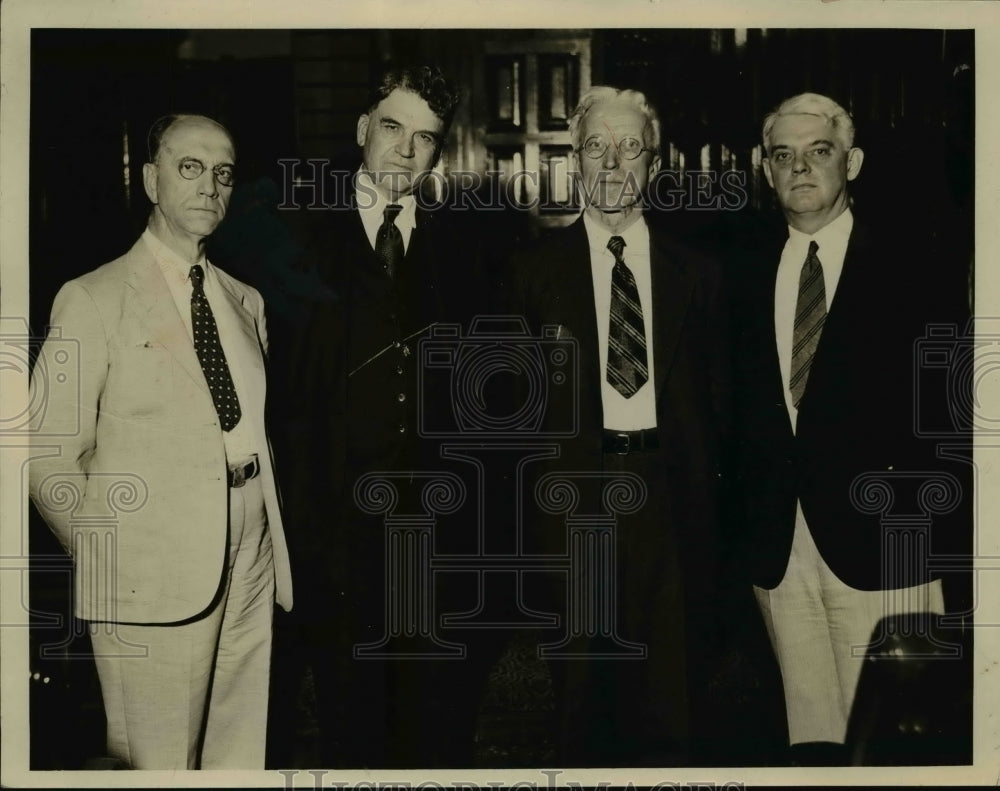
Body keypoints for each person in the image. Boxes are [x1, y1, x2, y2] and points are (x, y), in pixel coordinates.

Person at [28, 114, 293, 770]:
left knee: (238, 755)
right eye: (190, 167)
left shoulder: (245, 300)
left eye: (223, 173)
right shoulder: (91, 298)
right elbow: (43, 458)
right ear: (150, 180)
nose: (210, 185)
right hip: (150, 577)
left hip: (251, 556)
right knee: (158, 766)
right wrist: (117, 557)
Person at [733, 92, 971, 762]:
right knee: (809, 736)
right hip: (780, 547)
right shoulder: (742, 272)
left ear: (853, 161)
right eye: (783, 155)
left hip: (884, 542)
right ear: (765, 168)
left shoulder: (915, 265)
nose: (800, 167)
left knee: (891, 743)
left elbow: (950, 423)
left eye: (820, 151)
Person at [276, 64, 499, 768]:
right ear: (362, 129)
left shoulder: (471, 247)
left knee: (441, 728)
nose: (406, 150)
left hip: (442, 541)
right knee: (352, 728)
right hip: (338, 540)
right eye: (394, 128)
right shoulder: (296, 238)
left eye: (426, 138)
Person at [512, 85, 731, 766]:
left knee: (676, 703)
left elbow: (723, 411)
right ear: (574, 159)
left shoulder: (702, 275)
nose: (613, 159)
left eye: (631, 145)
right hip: (573, 501)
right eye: (597, 144)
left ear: (654, 163)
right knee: (582, 703)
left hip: (671, 500)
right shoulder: (526, 276)